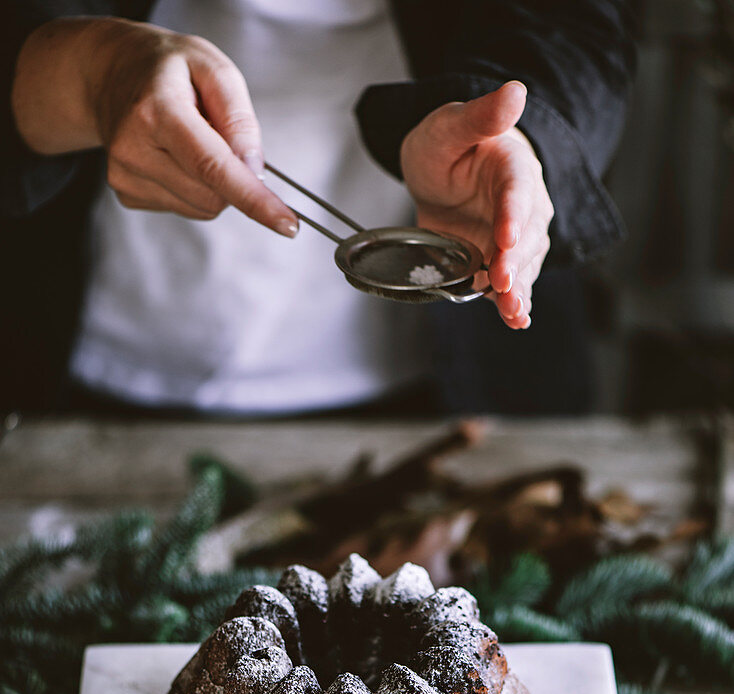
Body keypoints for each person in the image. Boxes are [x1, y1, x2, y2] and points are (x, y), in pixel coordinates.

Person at [2, 2, 635, 417]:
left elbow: (579, 20)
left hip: (436, 393)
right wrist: (84, 76)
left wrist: (520, 137)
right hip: (65, 372)